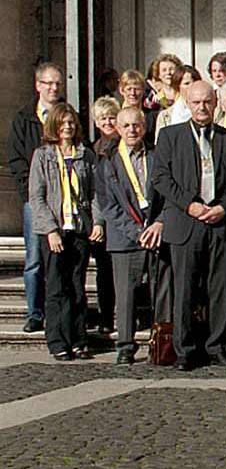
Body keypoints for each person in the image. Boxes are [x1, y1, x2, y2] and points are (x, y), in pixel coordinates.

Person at [152, 81, 226, 370]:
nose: (202, 107)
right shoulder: (170, 136)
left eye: (207, 102)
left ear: (215, 103)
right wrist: (188, 204)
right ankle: (185, 349)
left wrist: (223, 207)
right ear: (188, 104)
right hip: (186, 222)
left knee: (221, 288)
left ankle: (218, 345)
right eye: (196, 103)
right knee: (185, 290)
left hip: (219, 222)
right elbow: (161, 178)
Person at [95, 107, 168, 365]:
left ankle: (160, 343)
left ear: (144, 127)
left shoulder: (158, 155)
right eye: (126, 126)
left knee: (161, 292)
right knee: (125, 295)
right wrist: (137, 233)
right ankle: (125, 345)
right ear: (117, 128)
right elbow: (108, 205)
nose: (132, 130)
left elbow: (168, 194)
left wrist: (158, 223)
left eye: (136, 125)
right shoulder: (107, 161)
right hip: (126, 238)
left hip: (157, 233)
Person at [29, 103, 98, 361]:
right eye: (63, 122)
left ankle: (79, 338)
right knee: (57, 286)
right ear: (54, 126)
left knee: (77, 285)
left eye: (71, 122)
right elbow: (37, 197)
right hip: (55, 230)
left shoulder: (85, 155)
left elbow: (94, 193)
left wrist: (97, 222)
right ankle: (58, 340)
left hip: (79, 228)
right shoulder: (43, 155)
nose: (67, 127)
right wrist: (50, 229)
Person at [9, 63, 62, 334]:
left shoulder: (67, 114)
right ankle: (35, 312)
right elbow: (16, 160)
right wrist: (28, 192)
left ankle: (58, 311)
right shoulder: (24, 118)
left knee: (59, 258)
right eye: (49, 83)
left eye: (57, 84)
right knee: (34, 259)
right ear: (38, 85)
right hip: (34, 200)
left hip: (63, 199)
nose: (54, 88)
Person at [87, 97, 120, 335]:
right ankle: (106, 315)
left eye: (111, 117)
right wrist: (97, 221)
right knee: (104, 270)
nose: (108, 122)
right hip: (101, 218)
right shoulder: (91, 151)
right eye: (103, 118)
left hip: (123, 216)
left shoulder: (125, 144)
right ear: (96, 122)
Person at [153, 65, 201, 137]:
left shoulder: (208, 112)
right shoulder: (165, 116)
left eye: (195, 83)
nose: (191, 87)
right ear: (177, 86)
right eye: (186, 83)